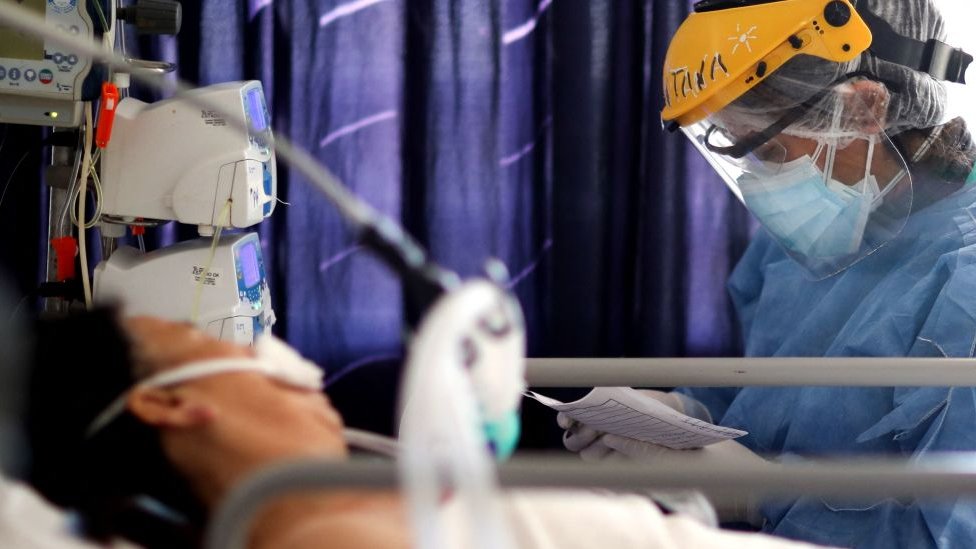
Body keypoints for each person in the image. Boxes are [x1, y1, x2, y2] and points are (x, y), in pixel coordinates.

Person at [559, 1, 976, 547]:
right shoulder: (813, 238)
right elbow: (769, 402)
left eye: (770, 149)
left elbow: (946, 534)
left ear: (864, 109)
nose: (760, 181)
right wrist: (689, 415)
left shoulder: (960, 283)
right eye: (735, 151)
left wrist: (762, 492)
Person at [27, 310, 831, 549]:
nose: (275, 356)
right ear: (169, 402)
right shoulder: (325, 535)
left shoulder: (345, 501)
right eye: (223, 343)